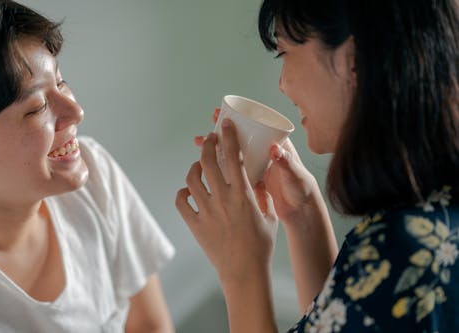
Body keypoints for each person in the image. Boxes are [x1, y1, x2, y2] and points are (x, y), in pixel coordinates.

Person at [176, 0, 459, 332]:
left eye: (284, 53)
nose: (282, 84)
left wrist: (241, 272)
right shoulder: (427, 218)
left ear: (351, 61)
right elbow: (341, 319)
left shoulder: (400, 251)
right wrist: (303, 213)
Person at [0, 1, 175, 332]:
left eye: (61, 83)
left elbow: (149, 324)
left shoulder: (95, 174)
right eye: (37, 108)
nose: (75, 111)